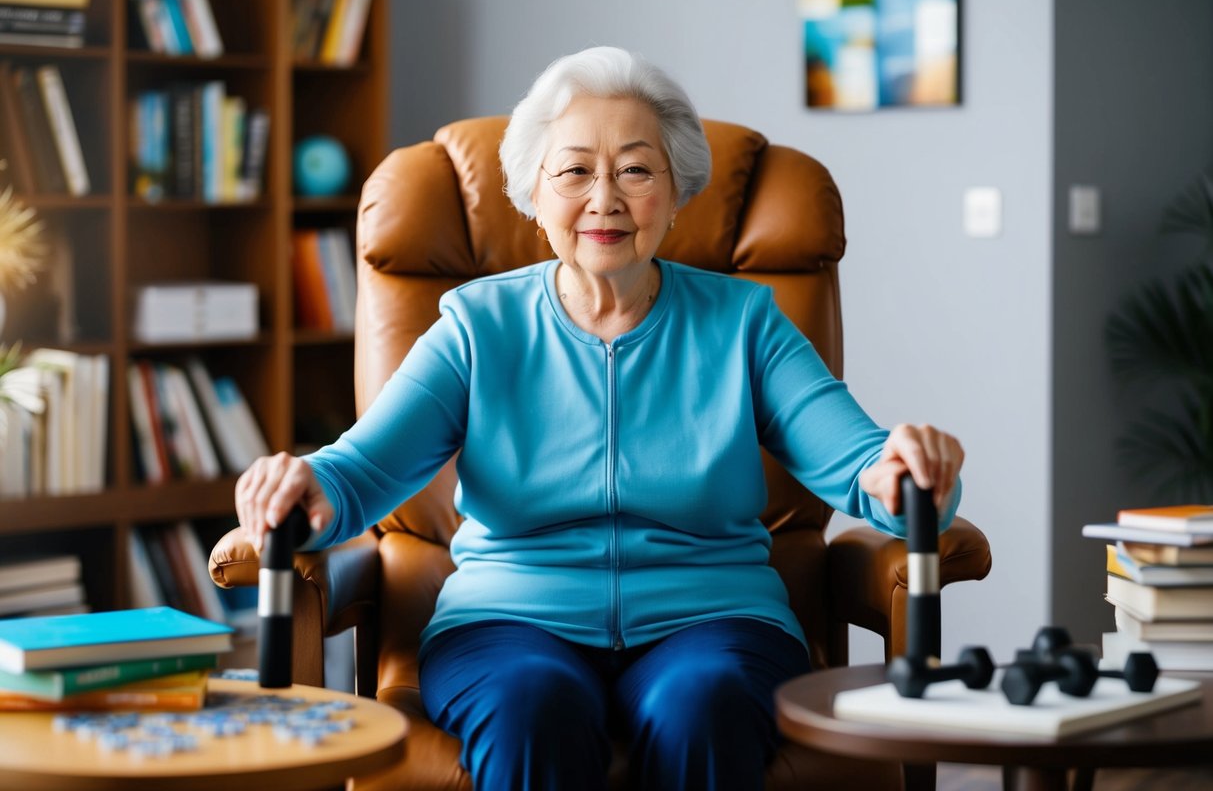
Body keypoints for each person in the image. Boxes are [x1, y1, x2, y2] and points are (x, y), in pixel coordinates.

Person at [235, 46, 964, 791]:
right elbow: (363, 469)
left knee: (700, 703)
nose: (604, 199)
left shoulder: (743, 322)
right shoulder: (477, 325)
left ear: (677, 191)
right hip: (508, 624)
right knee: (530, 706)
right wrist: (301, 485)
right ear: (532, 193)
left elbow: (855, 462)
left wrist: (906, 470)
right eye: (575, 170)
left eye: (636, 170)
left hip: (713, 621)